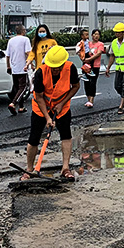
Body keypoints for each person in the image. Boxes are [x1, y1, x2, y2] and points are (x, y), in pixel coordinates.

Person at [27, 44, 79, 181]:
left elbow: (75, 87)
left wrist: (62, 103)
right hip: (41, 107)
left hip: (62, 107)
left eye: (58, 68)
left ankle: (65, 168)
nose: (55, 70)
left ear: (63, 64)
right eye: (53, 68)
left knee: (66, 135)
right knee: (34, 137)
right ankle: (29, 169)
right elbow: (38, 96)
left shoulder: (70, 68)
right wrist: (48, 118)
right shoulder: (40, 72)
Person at [5, 24, 33, 115]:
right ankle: (13, 103)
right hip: (22, 67)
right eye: (25, 30)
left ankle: (21, 107)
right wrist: (31, 64)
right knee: (23, 87)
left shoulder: (11, 40)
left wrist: (8, 66)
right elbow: (28, 52)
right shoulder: (25, 39)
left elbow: (7, 56)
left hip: (14, 67)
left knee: (17, 88)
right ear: (23, 31)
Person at [77, 29, 106, 108]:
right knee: (86, 82)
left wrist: (89, 59)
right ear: (92, 35)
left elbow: (98, 53)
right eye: (94, 34)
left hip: (95, 66)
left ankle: (91, 100)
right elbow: (81, 50)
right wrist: (82, 58)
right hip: (86, 66)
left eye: (98, 34)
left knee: (93, 82)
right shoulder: (87, 43)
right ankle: (88, 98)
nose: (96, 36)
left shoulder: (100, 44)